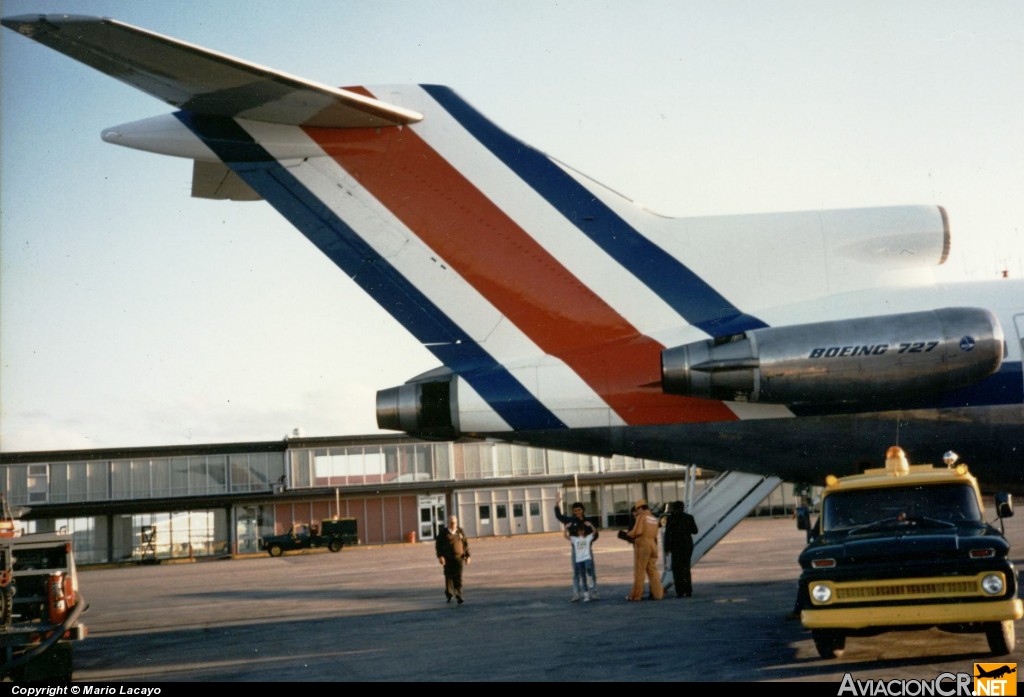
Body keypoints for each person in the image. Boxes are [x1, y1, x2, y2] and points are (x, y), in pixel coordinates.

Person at [555, 491, 600, 601]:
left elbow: (596, 534)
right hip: (576, 550)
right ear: (573, 512)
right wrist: (557, 503)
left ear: (583, 510)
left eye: (579, 510)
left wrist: (589, 541)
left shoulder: (588, 521)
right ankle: (576, 594)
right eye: (575, 511)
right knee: (576, 572)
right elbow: (559, 516)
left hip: (587, 550)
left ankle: (593, 593)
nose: (577, 512)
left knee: (590, 571)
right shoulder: (570, 520)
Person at [625, 499, 663, 601]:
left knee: (639, 570)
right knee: (652, 570)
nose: (636, 512)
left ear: (641, 508)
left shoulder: (642, 517)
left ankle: (636, 596)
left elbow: (637, 531)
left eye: (637, 509)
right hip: (653, 545)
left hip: (643, 545)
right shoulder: (654, 518)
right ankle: (658, 594)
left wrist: (628, 534)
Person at [663, 500, 698, 597]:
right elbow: (695, 531)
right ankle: (688, 591)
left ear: (674, 508)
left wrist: (667, 548)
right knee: (686, 569)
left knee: (677, 570)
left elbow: (667, 535)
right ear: (683, 507)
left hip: (676, 547)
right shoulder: (689, 517)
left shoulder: (670, 518)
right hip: (687, 546)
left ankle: (680, 591)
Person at [435, 515, 470, 604]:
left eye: (455, 523)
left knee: (458, 577)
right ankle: (449, 595)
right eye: (451, 523)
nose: (453, 525)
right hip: (448, 558)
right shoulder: (443, 532)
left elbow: (465, 544)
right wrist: (440, 556)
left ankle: (459, 595)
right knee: (449, 577)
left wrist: (467, 556)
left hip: (459, 558)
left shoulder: (460, 531)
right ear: (448, 523)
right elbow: (438, 545)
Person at [566, 524, 596, 602]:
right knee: (583, 577)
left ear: (584, 531)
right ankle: (586, 595)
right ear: (578, 532)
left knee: (588, 567)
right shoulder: (575, 539)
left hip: (586, 557)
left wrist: (591, 525)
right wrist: (566, 528)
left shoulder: (587, 538)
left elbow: (595, 532)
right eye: (579, 531)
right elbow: (565, 536)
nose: (581, 532)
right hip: (579, 559)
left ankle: (590, 577)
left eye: (582, 531)